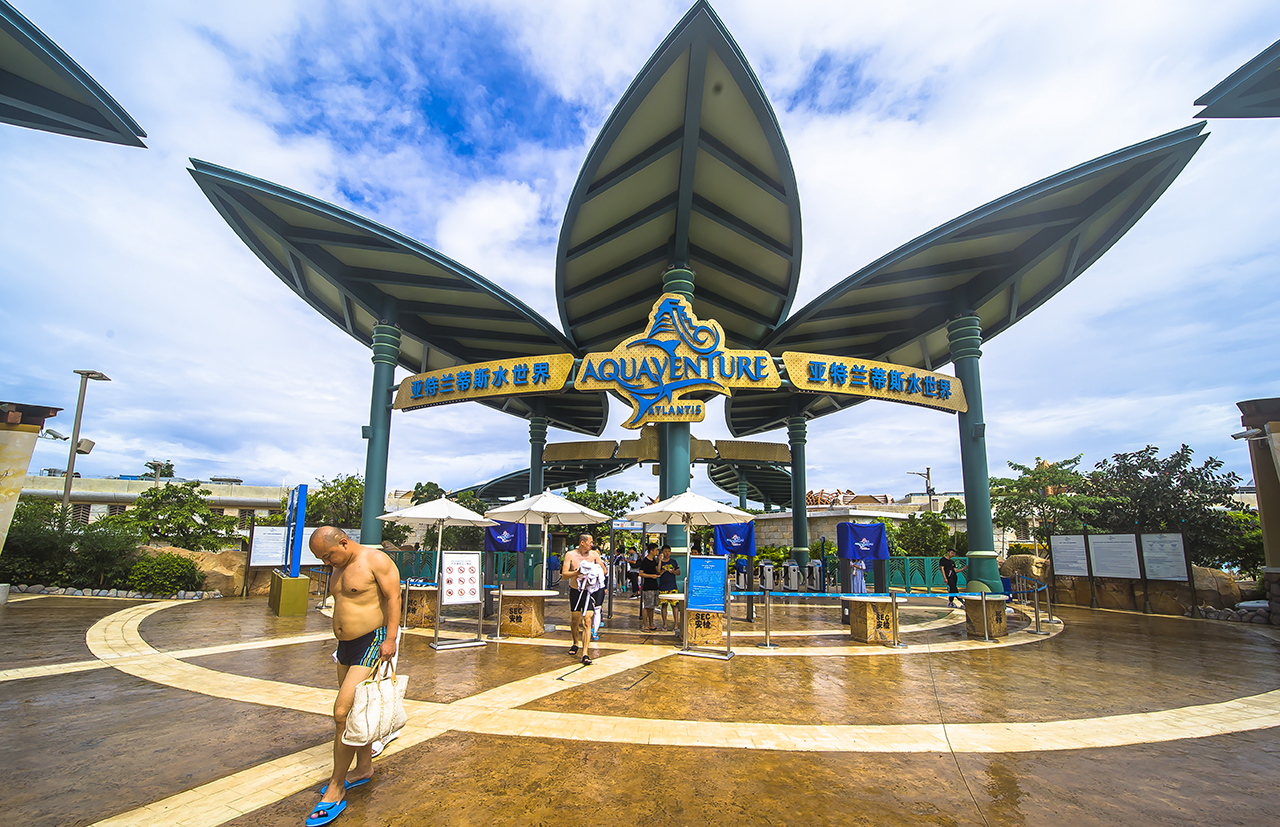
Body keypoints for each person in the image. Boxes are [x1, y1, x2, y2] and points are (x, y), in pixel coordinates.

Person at [306, 526, 401, 827]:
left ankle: (335, 787)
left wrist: (391, 639)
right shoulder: (339, 567)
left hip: (372, 641)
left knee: (342, 713)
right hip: (345, 646)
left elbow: (394, 597)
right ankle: (363, 768)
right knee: (356, 712)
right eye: (322, 559)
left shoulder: (376, 560)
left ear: (344, 543)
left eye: (328, 555)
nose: (326, 562)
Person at [562, 533, 604, 664]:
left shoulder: (594, 555)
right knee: (575, 620)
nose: (592, 545)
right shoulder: (570, 555)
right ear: (582, 543)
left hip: (590, 592)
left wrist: (594, 571)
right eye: (590, 542)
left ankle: (585, 652)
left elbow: (604, 571)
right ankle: (575, 643)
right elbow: (564, 574)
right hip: (576, 591)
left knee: (587, 621)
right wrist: (577, 573)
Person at [656, 544, 682, 632]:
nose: (667, 553)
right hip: (663, 587)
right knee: (664, 606)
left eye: (668, 551)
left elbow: (678, 572)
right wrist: (662, 564)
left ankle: (676, 625)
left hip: (672, 587)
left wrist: (673, 571)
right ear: (662, 552)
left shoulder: (673, 561)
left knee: (674, 605)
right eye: (665, 551)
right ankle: (664, 624)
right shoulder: (659, 562)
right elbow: (658, 572)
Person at [637, 542, 661, 631]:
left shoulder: (654, 560)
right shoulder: (645, 561)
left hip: (654, 585)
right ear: (651, 551)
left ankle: (651, 624)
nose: (657, 552)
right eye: (656, 550)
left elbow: (658, 570)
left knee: (652, 606)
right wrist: (651, 576)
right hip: (648, 586)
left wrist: (660, 561)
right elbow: (641, 573)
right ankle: (645, 625)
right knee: (647, 606)